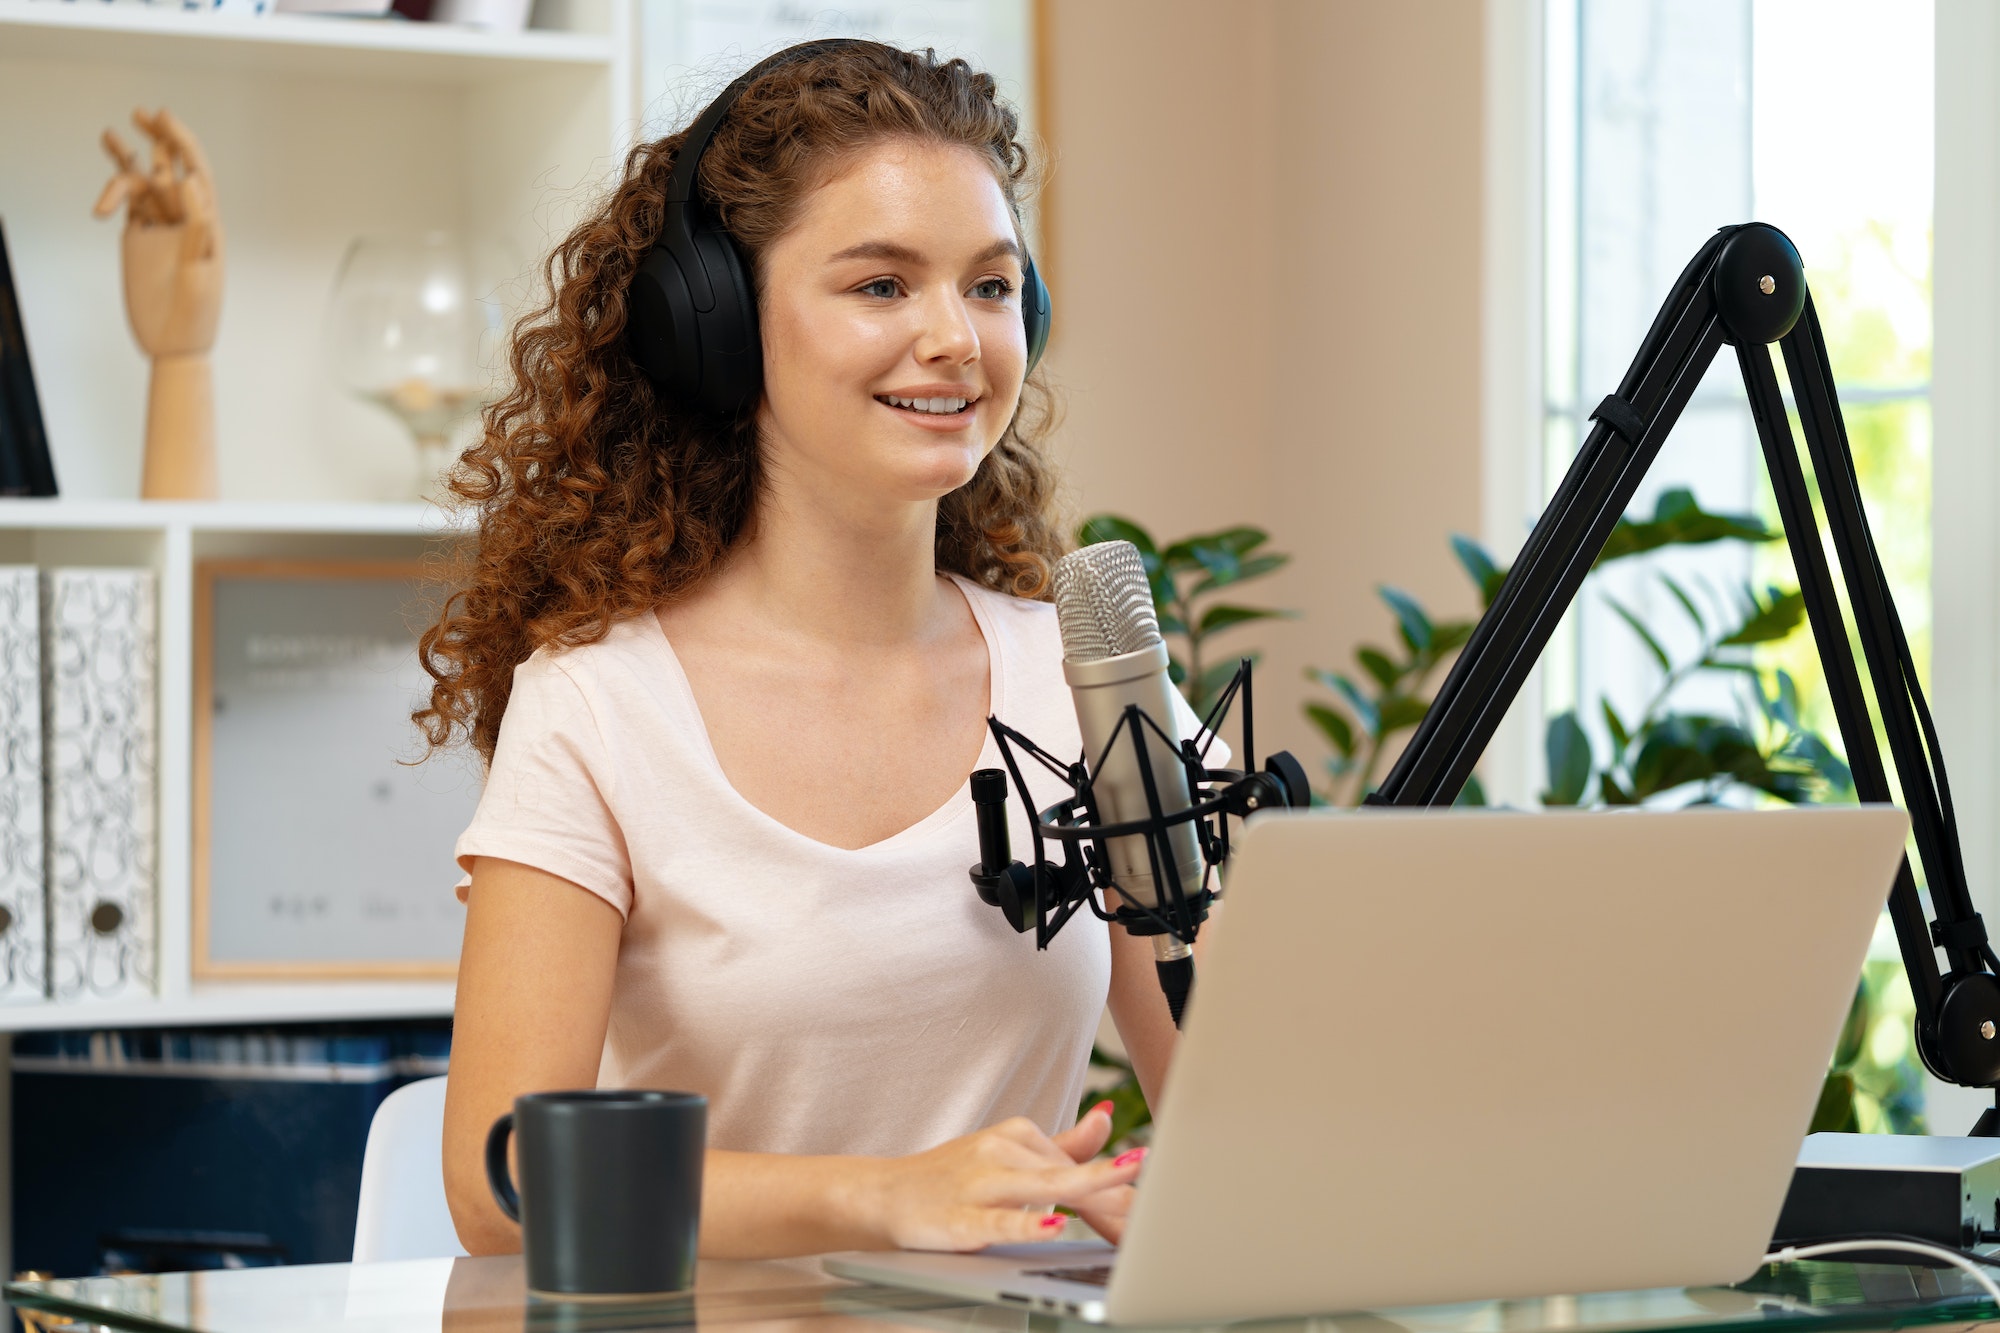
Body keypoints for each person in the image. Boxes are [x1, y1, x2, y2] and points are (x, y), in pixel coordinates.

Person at [420, 39, 1199, 1261]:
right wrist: (879, 1196)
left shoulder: (1080, 680)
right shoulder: (600, 706)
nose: (954, 337)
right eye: (882, 286)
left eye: (990, 287)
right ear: (717, 325)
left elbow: (1234, 1097)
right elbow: (497, 1176)